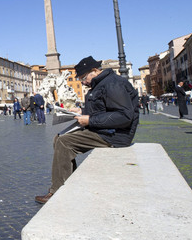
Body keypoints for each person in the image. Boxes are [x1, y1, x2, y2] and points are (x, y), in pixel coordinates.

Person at [35, 56, 139, 204]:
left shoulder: (113, 84)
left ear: (95, 71)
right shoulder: (102, 84)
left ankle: (57, 192)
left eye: (84, 78)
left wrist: (90, 120)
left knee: (65, 142)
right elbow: (103, 109)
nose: (82, 82)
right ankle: (68, 183)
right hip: (105, 130)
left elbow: (124, 116)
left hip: (114, 135)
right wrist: (81, 111)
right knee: (59, 137)